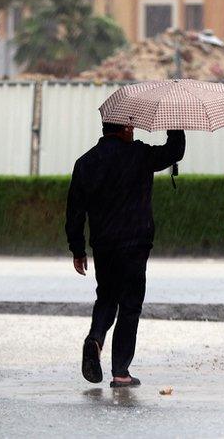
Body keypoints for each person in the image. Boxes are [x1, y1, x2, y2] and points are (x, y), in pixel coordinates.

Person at [66, 122, 185, 388]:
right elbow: (174, 151)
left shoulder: (86, 162)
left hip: (104, 245)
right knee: (130, 306)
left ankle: (95, 340)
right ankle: (120, 371)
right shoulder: (140, 155)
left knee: (107, 297)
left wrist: (77, 248)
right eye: (130, 125)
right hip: (135, 244)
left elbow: (75, 210)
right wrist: (175, 126)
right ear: (125, 130)